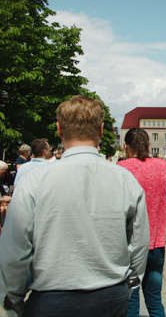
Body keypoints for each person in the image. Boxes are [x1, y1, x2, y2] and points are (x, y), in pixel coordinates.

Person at [0, 95, 149, 316]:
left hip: (52, 298)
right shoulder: (125, 179)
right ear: (100, 130)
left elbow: (15, 248)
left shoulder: (34, 180)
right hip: (110, 295)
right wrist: (130, 283)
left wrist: (13, 299)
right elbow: (138, 243)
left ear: (59, 130)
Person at [118, 127, 166, 317]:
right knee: (155, 300)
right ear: (149, 145)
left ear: (125, 146)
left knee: (131, 300)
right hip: (156, 242)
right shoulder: (161, 166)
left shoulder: (121, 168)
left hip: (130, 243)